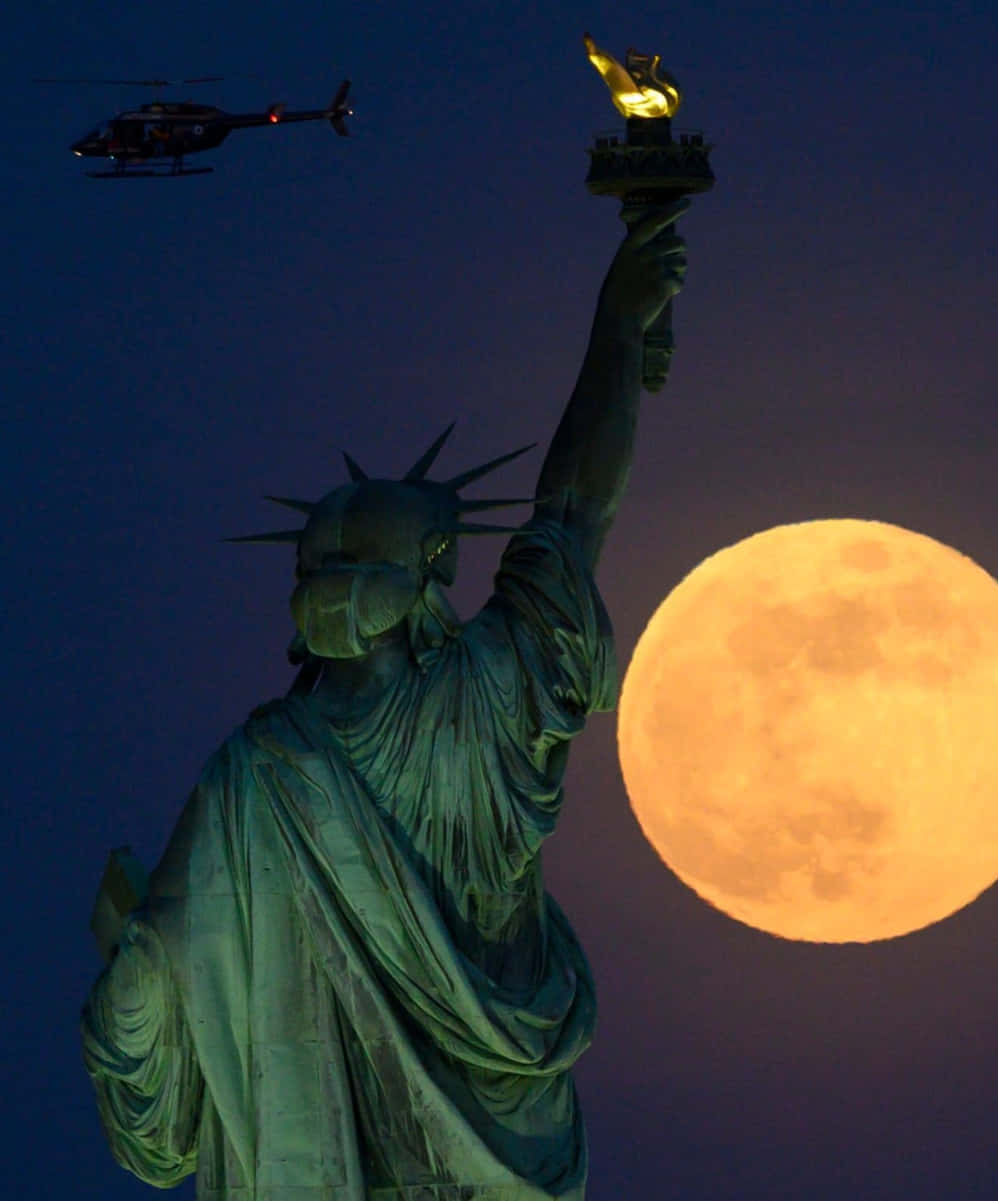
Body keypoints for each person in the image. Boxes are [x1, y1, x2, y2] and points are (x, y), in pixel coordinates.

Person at [81, 201, 690, 1201]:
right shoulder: (402, 725)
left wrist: (618, 331)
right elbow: (575, 509)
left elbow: (155, 987)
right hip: (499, 1143)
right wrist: (618, 327)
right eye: (326, 565)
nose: (332, 585)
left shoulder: (280, 763)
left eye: (345, 564)